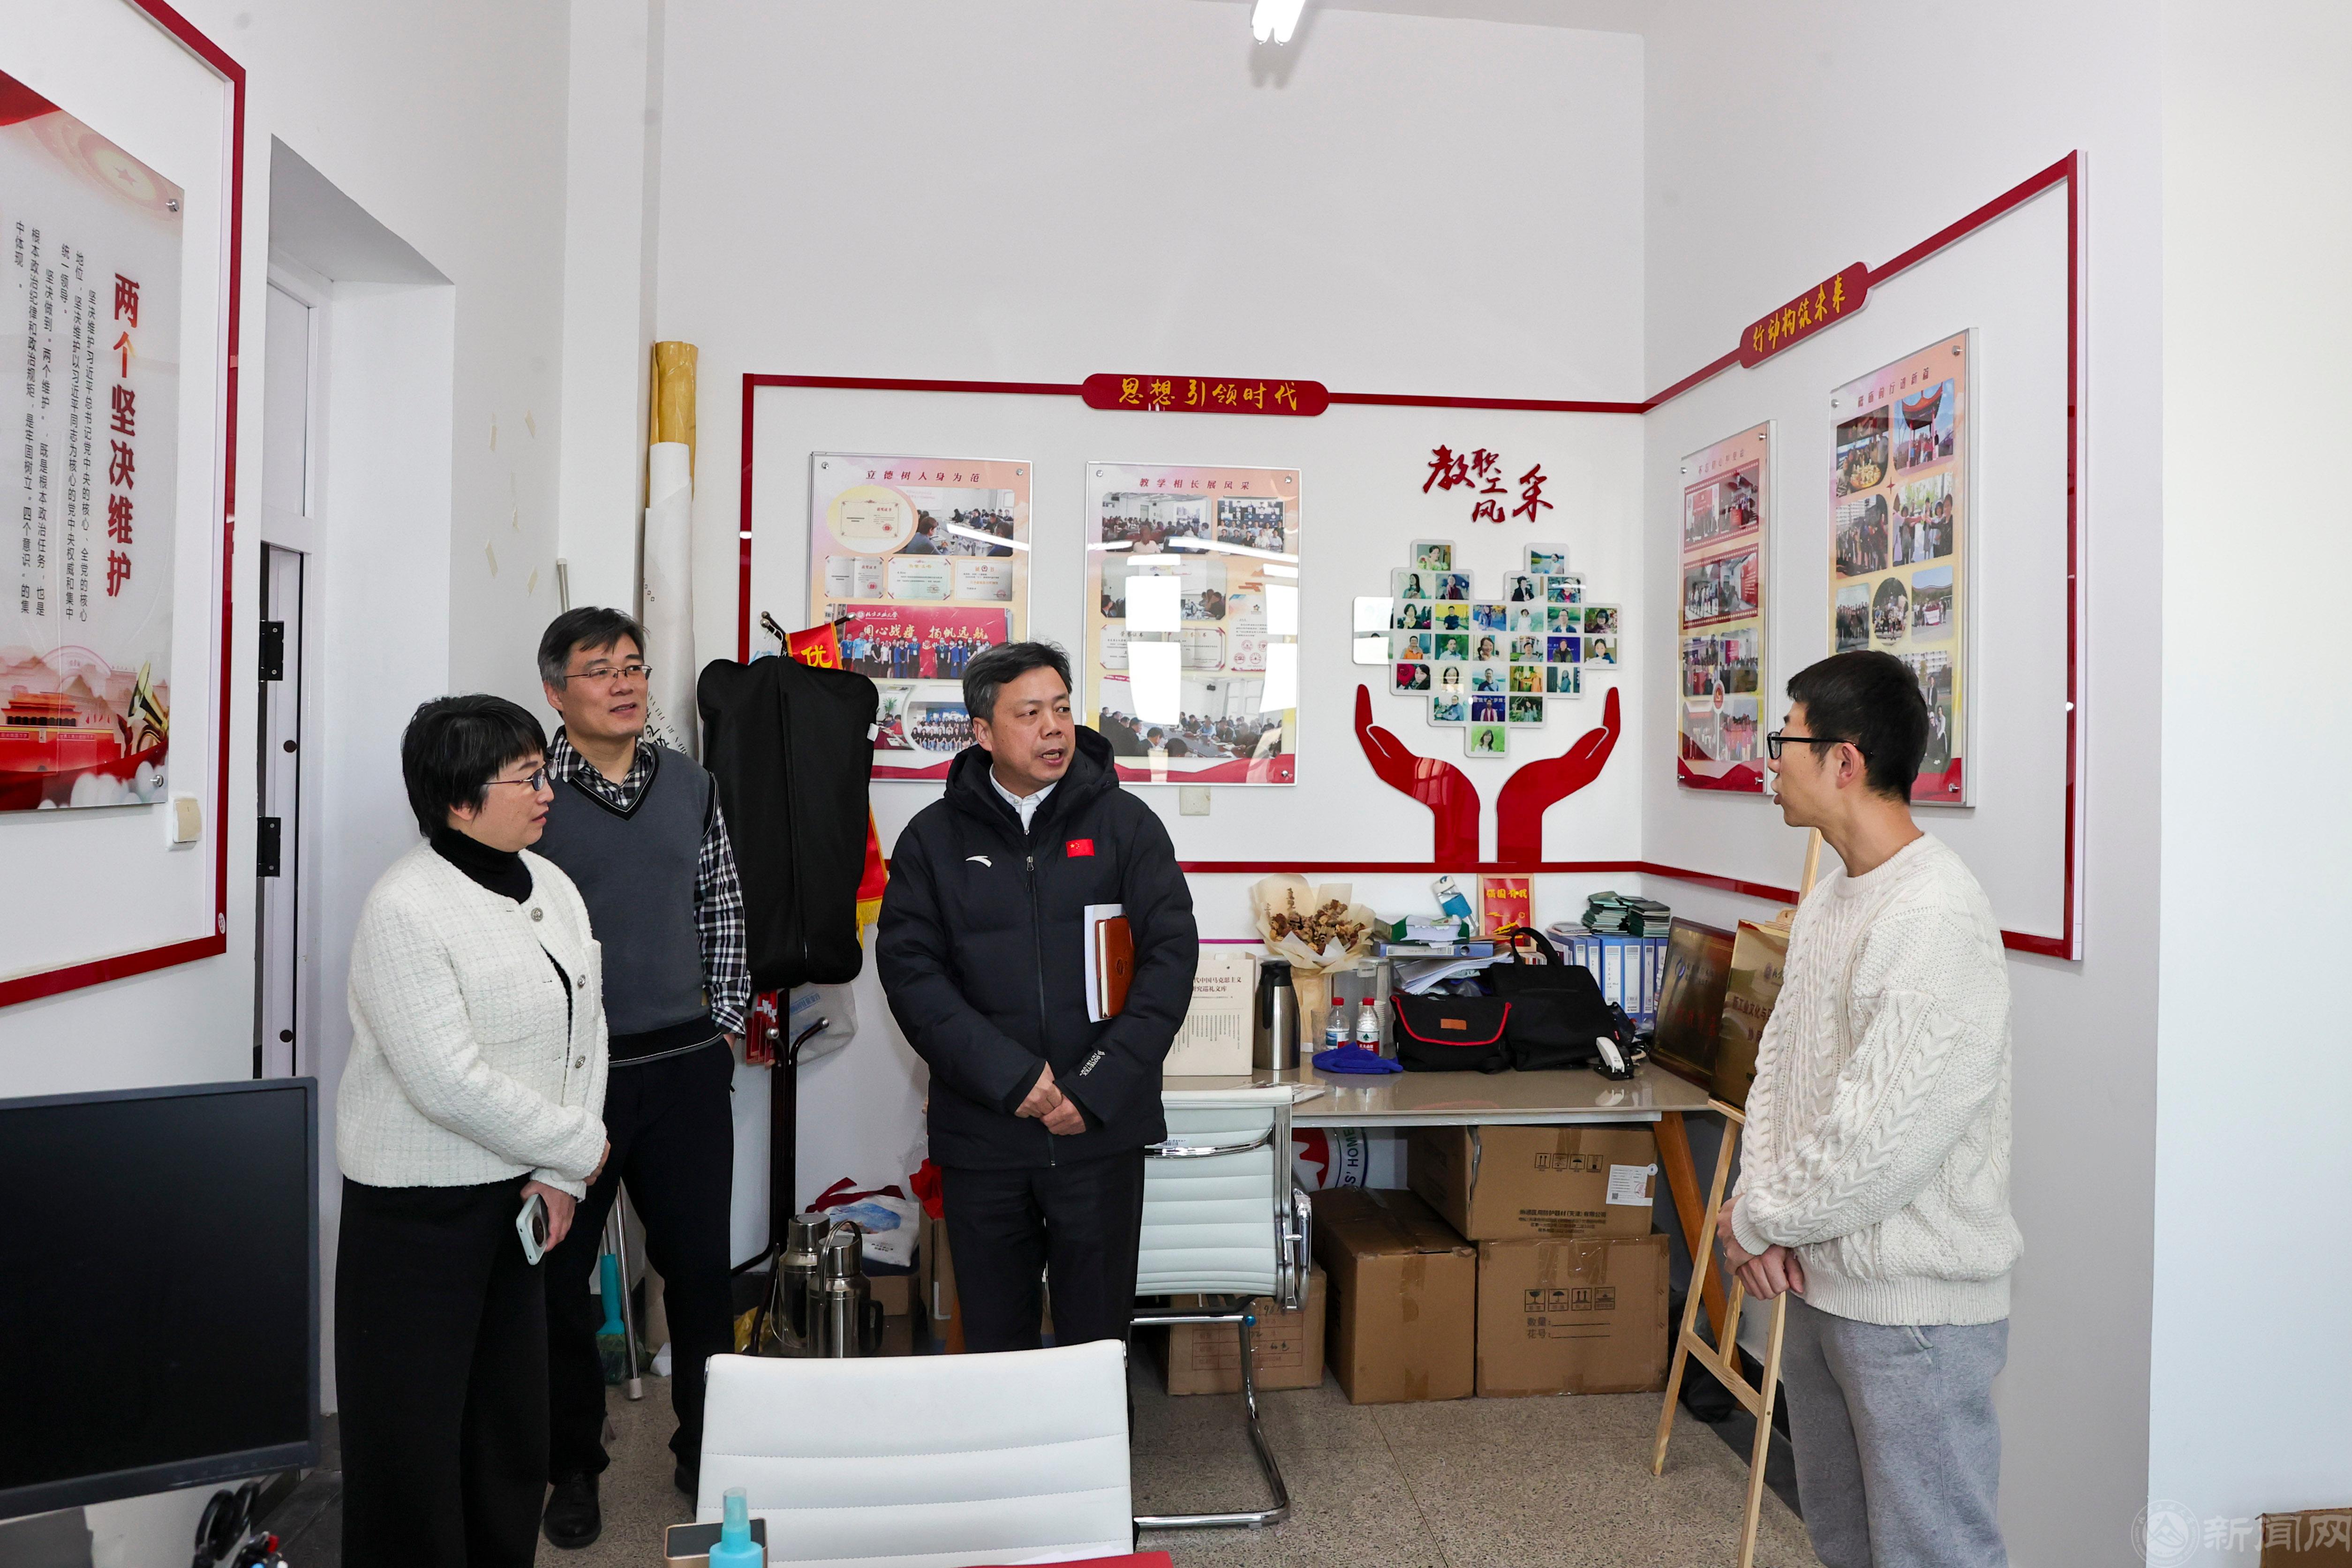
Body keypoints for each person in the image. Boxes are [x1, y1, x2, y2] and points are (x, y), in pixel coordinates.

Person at [1722, 649, 2020, 1568]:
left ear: (1843, 760)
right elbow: (1782, 1069)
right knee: (1844, 1542)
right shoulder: (1832, 900)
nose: (1771, 762)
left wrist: (1758, 1219)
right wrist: (1761, 1208)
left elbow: (1879, 1139)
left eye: (1785, 741)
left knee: (1935, 1550)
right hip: (1823, 1283)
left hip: (1914, 1315)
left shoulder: (1935, 917)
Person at [337, 695, 609, 1568]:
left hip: (519, 1201)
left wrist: (560, 1176)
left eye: (543, 772)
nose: (548, 792)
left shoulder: (550, 884)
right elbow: (446, 1081)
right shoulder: (406, 907)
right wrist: (576, 1149)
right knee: (414, 1448)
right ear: (460, 799)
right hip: (419, 1218)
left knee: (506, 1436)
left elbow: (587, 1032)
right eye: (527, 778)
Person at [876, 641, 1198, 1352]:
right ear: (983, 732)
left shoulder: (1126, 826)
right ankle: (1010, 1436)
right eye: (1029, 714)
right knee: (997, 1339)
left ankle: (1098, 1435)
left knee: (1098, 1339)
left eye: (1061, 708)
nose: (1053, 727)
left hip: (1100, 1130)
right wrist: (1014, 1079)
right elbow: (911, 975)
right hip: (985, 1135)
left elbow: (1170, 962)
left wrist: (1095, 1087)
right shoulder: (933, 840)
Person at [531, 609, 752, 1548]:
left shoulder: (690, 783)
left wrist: (724, 1026)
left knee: (700, 1276)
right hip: (571, 1080)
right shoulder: (529, 794)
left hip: (683, 1066)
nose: (624, 684)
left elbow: (722, 901)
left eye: (633, 666)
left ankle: (706, 1451)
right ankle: (575, 1466)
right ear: (555, 691)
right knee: (559, 1285)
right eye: (599, 670)